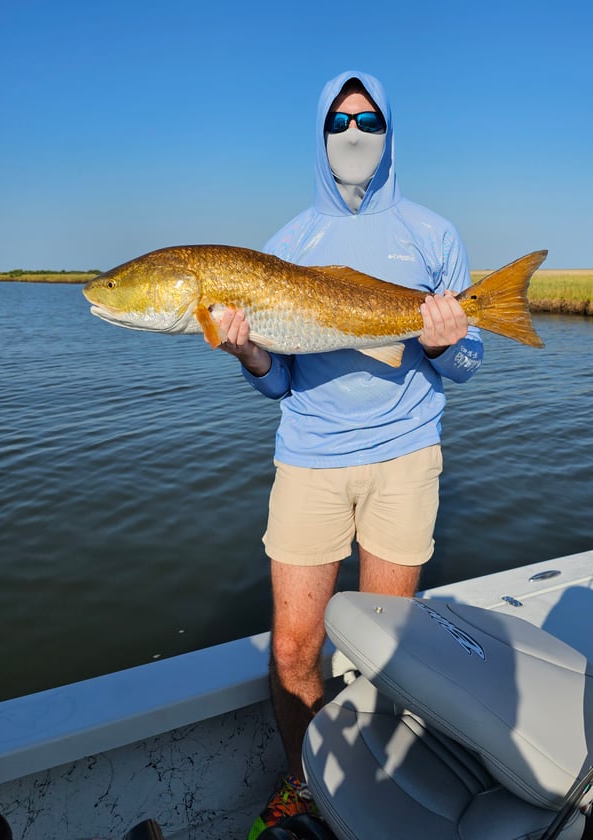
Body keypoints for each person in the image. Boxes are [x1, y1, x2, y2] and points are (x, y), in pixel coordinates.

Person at [215, 71, 483, 838]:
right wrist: (251, 357)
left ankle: (385, 786)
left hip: (406, 457)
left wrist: (446, 342)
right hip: (310, 459)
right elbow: (278, 382)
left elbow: (469, 364)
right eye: (341, 118)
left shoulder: (434, 235)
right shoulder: (284, 247)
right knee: (296, 649)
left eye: (369, 118)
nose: (355, 131)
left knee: (389, 647)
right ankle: (303, 785)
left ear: (390, 129)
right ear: (322, 131)